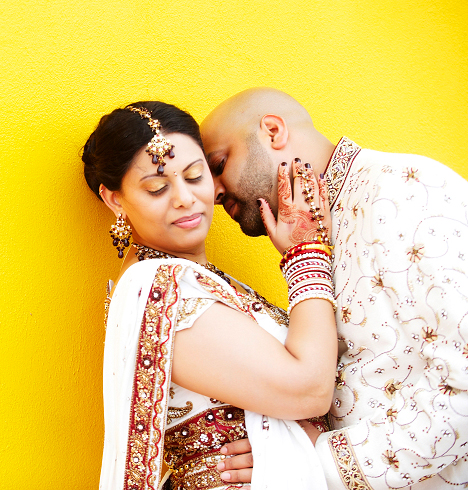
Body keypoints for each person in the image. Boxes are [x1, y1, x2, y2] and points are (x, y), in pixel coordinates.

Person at [201, 87, 468, 488]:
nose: (214, 190)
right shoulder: (309, 230)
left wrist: (313, 460)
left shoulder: (405, 190)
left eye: (219, 164)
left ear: (273, 131)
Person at [85, 101, 339, 490]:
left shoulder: (195, 280)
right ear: (115, 200)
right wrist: (306, 253)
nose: (184, 198)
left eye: (194, 175)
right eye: (157, 188)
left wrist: (290, 446)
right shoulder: (163, 289)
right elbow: (310, 389)